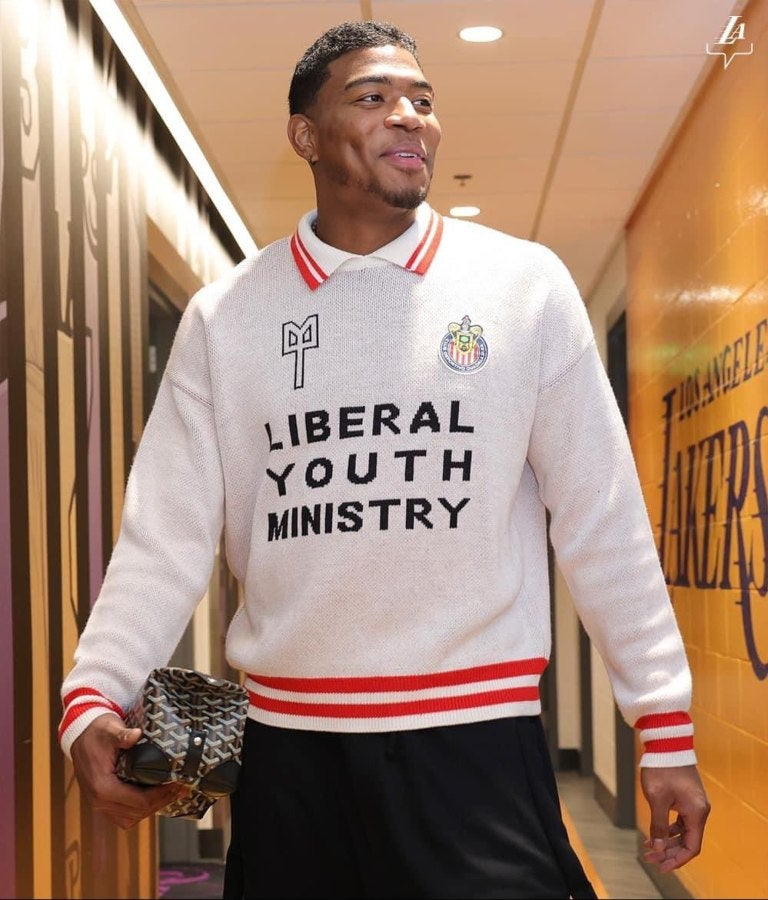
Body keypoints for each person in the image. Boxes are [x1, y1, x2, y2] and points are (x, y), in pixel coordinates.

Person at [59, 20, 710, 899]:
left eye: (423, 100)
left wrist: (662, 719)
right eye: (374, 98)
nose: (411, 117)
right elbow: (163, 535)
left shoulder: (524, 288)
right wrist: (94, 695)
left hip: (476, 746)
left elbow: (603, 517)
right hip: (291, 764)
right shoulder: (226, 318)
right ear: (306, 136)